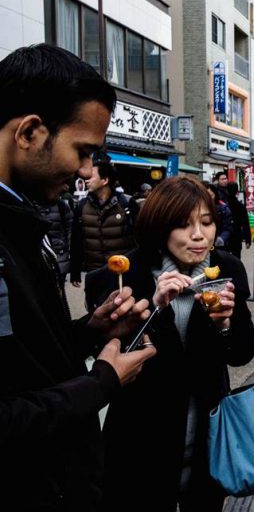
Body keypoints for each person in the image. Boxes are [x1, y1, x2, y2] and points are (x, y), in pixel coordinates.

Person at [0, 43, 155, 511]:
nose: (87, 171)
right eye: (83, 151)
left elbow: (21, 359)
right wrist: (102, 382)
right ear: (29, 131)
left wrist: (91, 332)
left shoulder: (21, 219)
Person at [85, 176, 254, 511]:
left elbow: (241, 353)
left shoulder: (226, 270)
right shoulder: (124, 277)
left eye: (206, 222)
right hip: (141, 437)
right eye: (184, 225)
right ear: (160, 228)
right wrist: (155, 307)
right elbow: (109, 355)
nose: (199, 235)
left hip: (207, 435)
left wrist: (226, 324)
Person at [70, 160, 139, 287]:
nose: (86, 180)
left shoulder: (127, 204)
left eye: (91, 176)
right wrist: (75, 271)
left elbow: (140, 238)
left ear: (105, 180)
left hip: (122, 272)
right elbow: (76, 239)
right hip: (94, 273)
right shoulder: (82, 206)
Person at [33, 193, 74, 287]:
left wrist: (71, 253)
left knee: (58, 288)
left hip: (59, 254)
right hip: (38, 255)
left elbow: (71, 230)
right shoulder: (31, 204)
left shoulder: (61, 205)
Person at [224, 181, 251, 258]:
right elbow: (245, 223)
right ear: (237, 192)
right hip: (236, 235)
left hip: (224, 235)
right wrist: (247, 239)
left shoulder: (223, 205)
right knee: (236, 258)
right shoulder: (240, 206)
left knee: (224, 259)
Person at [205, 182, 233, 249]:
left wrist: (221, 239)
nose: (208, 198)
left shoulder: (223, 209)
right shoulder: (195, 209)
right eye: (205, 196)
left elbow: (228, 228)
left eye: (211, 195)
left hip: (217, 245)